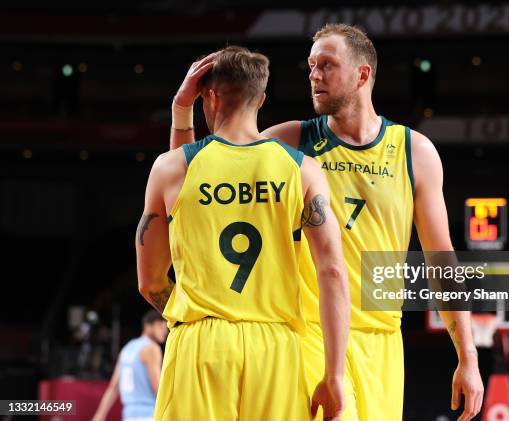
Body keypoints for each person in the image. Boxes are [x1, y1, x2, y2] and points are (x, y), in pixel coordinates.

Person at [169, 24, 484, 421]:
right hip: (311, 336)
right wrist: (183, 113)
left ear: (362, 74)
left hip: (382, 342)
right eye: (311, 66)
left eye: (327, 65)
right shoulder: (289, 143)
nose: (314, 75)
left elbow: (441, 260)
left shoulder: (414, 151)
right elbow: (194, 174)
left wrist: (467, 357)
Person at [136, 46, 350, 421]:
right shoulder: (304, 170)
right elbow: (332, 272)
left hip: (201, 343)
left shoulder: (171, 169)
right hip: (277, 346)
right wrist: (334, 375)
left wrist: (181, 111)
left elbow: (150, 280)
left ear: (210, 96)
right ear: (261, 98)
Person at [92, 310, 168, 421]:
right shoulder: (152, 348)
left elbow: (113, 388)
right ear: (148, 326)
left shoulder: (127, 348)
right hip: (149, 414)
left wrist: (99, 416)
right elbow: (158, 389)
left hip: (128, 415)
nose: (165, 331)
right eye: (161, 326)